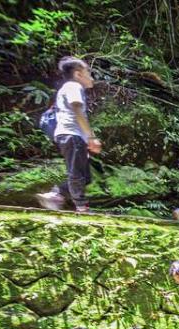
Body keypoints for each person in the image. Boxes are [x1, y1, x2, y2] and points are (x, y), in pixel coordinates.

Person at [37, 57, 102, 213]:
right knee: (77, 174)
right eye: (89, 73)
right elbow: (77, 111)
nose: (91, 77)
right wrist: (92, 138)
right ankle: (81, 208)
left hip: (72, 136)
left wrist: (88, 139)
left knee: (85, 176)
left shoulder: (67, 88)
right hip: (71, 135)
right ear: (78, 74)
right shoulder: (73, 86)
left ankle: (55, 194)